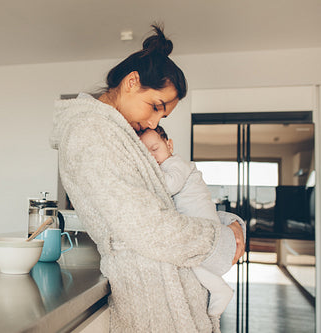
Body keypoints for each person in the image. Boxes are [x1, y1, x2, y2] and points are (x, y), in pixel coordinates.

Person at [50, 23, 245, 332]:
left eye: (162, 116)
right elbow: (146, 226)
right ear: (132, 82)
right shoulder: (91, 133)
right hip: (153, 296)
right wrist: (219, 240)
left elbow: (163, 205)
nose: (154, 121)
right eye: (155, 106)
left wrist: (223, 225)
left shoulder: (117, 133)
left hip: (165, 285)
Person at [140, 126, 239, 316]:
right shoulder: (167, 166)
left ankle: (220, 289)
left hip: (202, 220)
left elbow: (169, 185)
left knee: (194, 261)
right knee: (194, 260)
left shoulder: (177, 164)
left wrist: (144, 175)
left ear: (169, 145)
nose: (151, 157)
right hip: (196, 219)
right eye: (145, 155)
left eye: (154, 149)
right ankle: (219, 288)